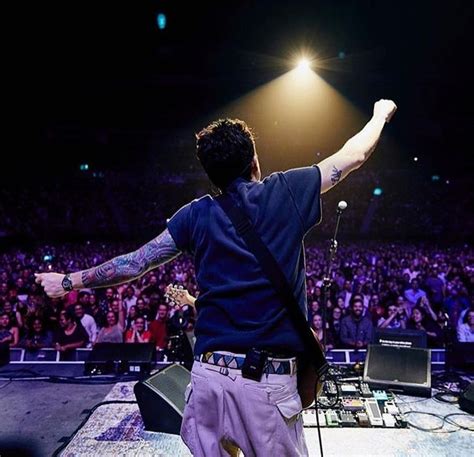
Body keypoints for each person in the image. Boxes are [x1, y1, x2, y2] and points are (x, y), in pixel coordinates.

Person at [35, 99, 397, 457]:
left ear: (212, 173)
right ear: (254, 159)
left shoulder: (195, 215)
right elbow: (354, 155)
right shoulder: (285, 191)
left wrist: (68, 281)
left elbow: (135, 263)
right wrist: (380, 114)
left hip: (208, 380)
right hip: (265, 385)